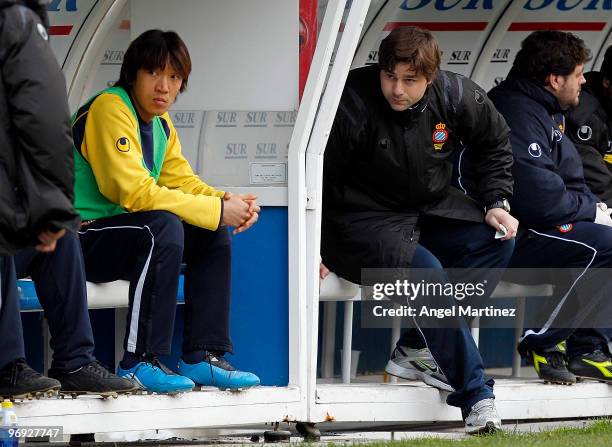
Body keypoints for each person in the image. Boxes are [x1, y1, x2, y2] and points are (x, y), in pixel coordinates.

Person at [321, 26, 518, 434]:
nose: (396, 89)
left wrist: (497, 201)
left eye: (409, 80)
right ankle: (477, 395)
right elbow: (317, 175)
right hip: (358, 220)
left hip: (425, 207)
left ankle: (418, 345)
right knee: (425, 271)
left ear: (430, 77)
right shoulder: (354, 100)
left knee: (495, 239)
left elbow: (495, 141)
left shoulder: (454, 94)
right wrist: (312, 245)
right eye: (389, 76)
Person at [71, 29, 261, 394]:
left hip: (125, 237)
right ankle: (138, 362)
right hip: (79, 238)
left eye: (174, 77)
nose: (164, 87)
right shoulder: (110, 106)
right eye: (154, 73)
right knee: (162, 226)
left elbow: (184, 182)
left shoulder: (160, 123)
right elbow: (132, 193)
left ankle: (202, 354)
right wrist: (215, 208)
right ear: (133, 74)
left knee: (210, 231)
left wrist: (228, 203)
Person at [0, 0, 136, 398]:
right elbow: (44, 119)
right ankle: (7, 366)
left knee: (57, 240)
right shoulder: (15, 19)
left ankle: (75, 361)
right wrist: (52, 207)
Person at [488, 30, 612, 385]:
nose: (583, 81)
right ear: (554, 79)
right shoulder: (517, 111)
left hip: (540, 226)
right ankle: (542, 341)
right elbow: (538, 197)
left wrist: (591, 209)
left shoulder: (547, 109)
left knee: (597, 242)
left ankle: (588, 349)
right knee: (601, 245)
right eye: (578, 74)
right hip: (507, 236)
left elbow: (568, 184)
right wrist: (590, 212)